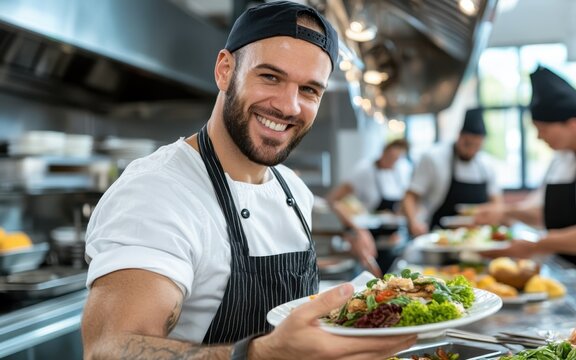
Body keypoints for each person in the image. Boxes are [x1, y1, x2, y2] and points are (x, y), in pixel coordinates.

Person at [80, 2, 416, 359]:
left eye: (309, 90)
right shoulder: (157, 192)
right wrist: (261, 355)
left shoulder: (292, 189)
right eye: (270, 76)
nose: (288, 106)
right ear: (225, 70)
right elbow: (109, 348)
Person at [474, 66, 576, 301]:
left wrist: (534, 247)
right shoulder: (561, 160)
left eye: (543, 129)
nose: (539, 137)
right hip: (569, 278)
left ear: (572, 124)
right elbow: (543, 213)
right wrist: (505, 211)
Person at [402, 108, 503, 237]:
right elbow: (410, 196)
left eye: (476, 147)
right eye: (467, 144)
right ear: (459, 136)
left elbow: (497, 204)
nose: (471, 151)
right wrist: (413, 222)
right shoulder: (433, 158)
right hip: (438, 236)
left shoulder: (487, 165)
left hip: (478, 237)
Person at [326, 139, 411, 275]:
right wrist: (356, 229)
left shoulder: (400, 171)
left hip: (392, 240)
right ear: (383, 153)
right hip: (368, 237)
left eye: (397, 159)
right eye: (390, 158)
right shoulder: (364, 171)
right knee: (374, 280)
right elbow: (333, 200)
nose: (393, 162)